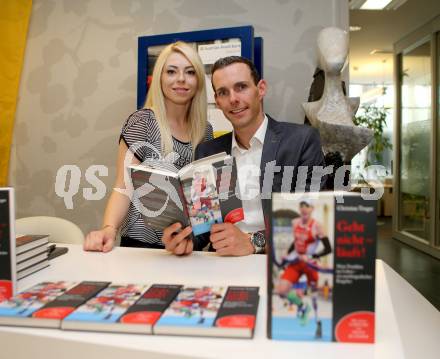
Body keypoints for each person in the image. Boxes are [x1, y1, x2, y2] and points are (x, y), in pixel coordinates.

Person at [162, 56, 326, 256]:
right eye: (223, 92)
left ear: (261, 89)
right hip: (221, 265)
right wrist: (183, 239)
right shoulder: (207, 152)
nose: (233, 99)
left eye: (241, 87)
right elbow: (202, 230)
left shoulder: (301, 141)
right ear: (218, 102)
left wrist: (253, 241)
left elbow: (312, 222)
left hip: (278, 262)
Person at [83, 41, 213, 252]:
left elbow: (202, 198)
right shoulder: (142, 122)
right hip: (140, 247)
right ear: (159, 78)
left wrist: (195, 240)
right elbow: (123, 186)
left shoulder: (205, 131)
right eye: (171, 71)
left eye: (190, 72)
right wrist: (109, 229)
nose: (181, 79)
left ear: (198, 80)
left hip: (186, 246)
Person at [276, 199, 332, 337]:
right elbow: (295, 241)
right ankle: (302, 306)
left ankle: (317, 321)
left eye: (307, 206)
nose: (304, 208)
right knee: (281, 290)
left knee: (314, 297)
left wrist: (312, 255)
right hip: (296, 262)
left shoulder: (317, 226)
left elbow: (328, 248)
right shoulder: (295, 223)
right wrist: (287, 254)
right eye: (301, 206)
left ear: (312, 208)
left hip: (310, 264)